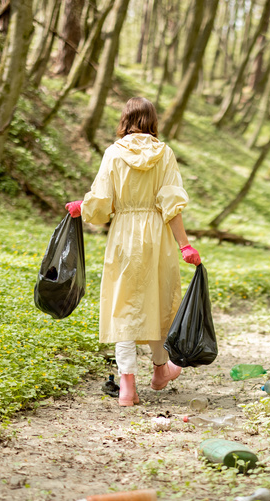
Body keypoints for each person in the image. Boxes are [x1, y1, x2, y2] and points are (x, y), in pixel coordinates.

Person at [65, 97, 201, 407]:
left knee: (124, 306)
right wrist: (185, 245)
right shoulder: (164, 154)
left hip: (124, 235)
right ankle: (160, 370)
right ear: (153, 121)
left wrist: (82, 208)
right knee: (158, 301)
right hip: (157, 236)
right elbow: (171, 206)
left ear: (125, 119)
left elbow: (101, 202)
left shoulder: (113, 153)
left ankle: (127, 388)